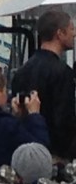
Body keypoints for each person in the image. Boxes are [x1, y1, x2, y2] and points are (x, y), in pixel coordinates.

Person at [10, 8, 76, 158]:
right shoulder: (63, 72)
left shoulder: (22, 71)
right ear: (60, 33)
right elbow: (63, 121)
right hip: (55, 153)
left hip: (26, 150)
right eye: (71, 29)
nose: (74, 34)